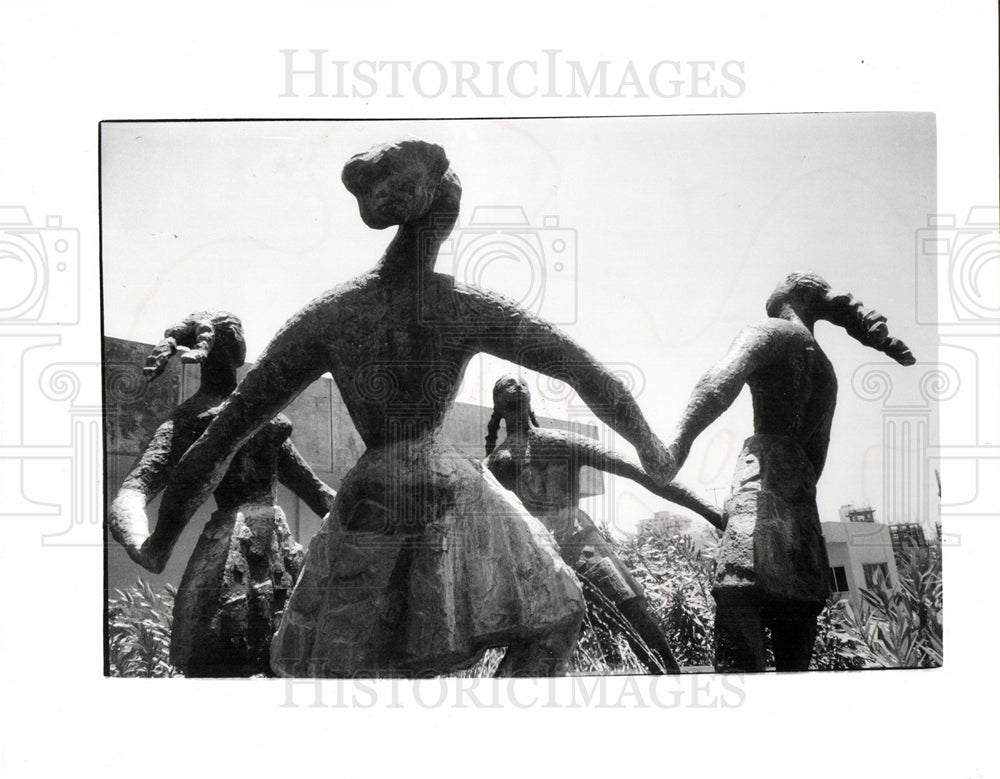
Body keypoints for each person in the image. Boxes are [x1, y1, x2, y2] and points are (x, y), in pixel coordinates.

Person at [146, 138, 676, 677]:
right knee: (554, 615)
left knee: (349, 662)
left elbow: (225, 432)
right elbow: (585, 372)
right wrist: (651, 445)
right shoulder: (460, 306)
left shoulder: (333, 313)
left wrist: (161, 538)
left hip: (380, 493)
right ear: (444, 212)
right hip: (439, 484)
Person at [662, 272, 915, 671]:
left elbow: (719, 381)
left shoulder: (773, 332)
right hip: (801, 501)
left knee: (738, 598)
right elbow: (819, 458)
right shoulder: (826, 372)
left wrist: (676, 445)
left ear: (793, 294)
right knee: (797, 621)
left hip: (760, 488)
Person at [108, 311, 336, 676]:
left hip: (243, 549)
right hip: (253, 549)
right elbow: (318, 494)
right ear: (237, 351)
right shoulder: (251, 416)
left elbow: (132, 492)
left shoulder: (212, 419)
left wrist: (141, 541)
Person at [484, 374, 724, 673]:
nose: (516, 388)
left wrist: (708, 511)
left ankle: (671, 677)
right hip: (535, 553)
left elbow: (638, 472)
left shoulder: (562, 442)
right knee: (537, 633)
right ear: (497, 404)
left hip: (578, 539)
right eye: (507, 385)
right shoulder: (496, 463)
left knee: (633, 609)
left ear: (530, 396)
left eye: (521, 384)